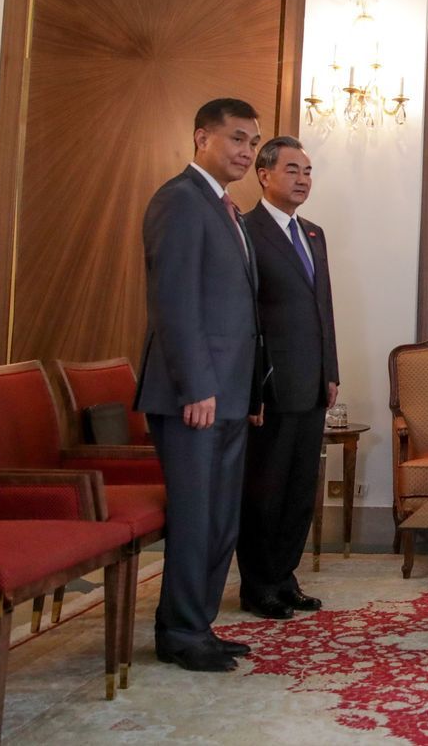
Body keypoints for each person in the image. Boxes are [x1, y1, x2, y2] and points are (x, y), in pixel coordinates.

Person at [135, 98, 265, 672]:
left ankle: (198, 624)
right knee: (194, 515)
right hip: (197, 396)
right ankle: (181, 633)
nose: (245, 151)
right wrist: (196, 387)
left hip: (231, 394)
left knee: (219, 517)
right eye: (236, 139)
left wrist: (249, 393)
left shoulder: (227, 207)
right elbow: (175, 302)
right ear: (201, 138)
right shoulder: (181, 200)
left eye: (253, 142)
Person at [236, 136, 340, 619]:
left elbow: (324, 310)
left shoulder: (314, 234)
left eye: (308, 171)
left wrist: (331, 371)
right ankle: (258, 586)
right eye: (293, 170)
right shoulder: (245, 230)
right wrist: (253, 384)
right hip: (271, 385)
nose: (303, 180)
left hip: (313, 383)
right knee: (265, 489)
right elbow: (244, 316)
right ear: (264, 174)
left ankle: (285, 578)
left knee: (300, 490)